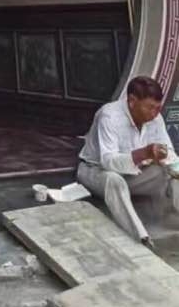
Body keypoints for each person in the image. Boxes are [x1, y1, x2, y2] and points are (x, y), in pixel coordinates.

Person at [77, 74, 179, 248]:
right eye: (150, 107)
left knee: (169, 172)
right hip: (95, 171)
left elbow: (170, 155)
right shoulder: (109, 116)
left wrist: (169, 161)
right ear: (132, 101)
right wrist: (143, 153)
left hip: (133, 175)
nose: (155, 113)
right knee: (114, 180)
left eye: (158, 108)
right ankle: (141, 238)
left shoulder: (155, 118)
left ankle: (172, 221)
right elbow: (108, 161)